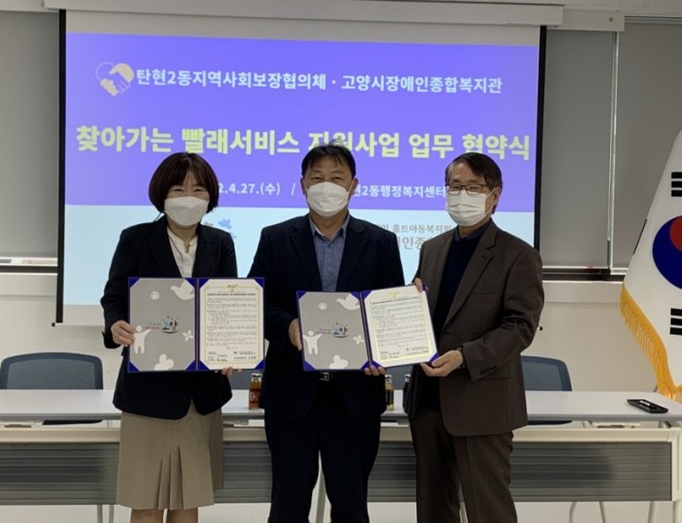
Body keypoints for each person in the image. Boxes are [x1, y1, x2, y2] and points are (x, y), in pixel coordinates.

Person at [247, 143, 404, 523]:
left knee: (351, 507)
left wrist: (384, 350)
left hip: (355, 397)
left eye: (336, 178)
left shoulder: (381, 242)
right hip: (292, 394)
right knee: (287, 507)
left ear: (353, 185)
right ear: (303, 184)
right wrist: (288, 325)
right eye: (317, 178)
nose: (326, 186)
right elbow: (254, 302)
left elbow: (390, 312)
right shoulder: (275, 238)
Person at [404, 152, 544, 523]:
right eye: (455, 186)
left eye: (473, 188)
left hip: (481, 401)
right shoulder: (432, 249)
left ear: (494, 196)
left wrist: (466, 356)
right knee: (434, 509)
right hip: (427, 401)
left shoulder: (519, 255)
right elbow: (428, 316)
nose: (462, 195)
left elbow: (520, 326)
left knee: (488, 510)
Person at [101, 152, 236, 523]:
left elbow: (228, 304)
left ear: (210, 196)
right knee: (146, 501)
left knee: (187, 500)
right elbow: (114, 296)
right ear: (162, 194)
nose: (189, 197)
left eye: (198, 189)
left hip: (200, 392)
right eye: (179, 188)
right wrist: (116, 323)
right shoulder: (136, 238)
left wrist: (231, 349)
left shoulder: (221, 242)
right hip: (148, 389)